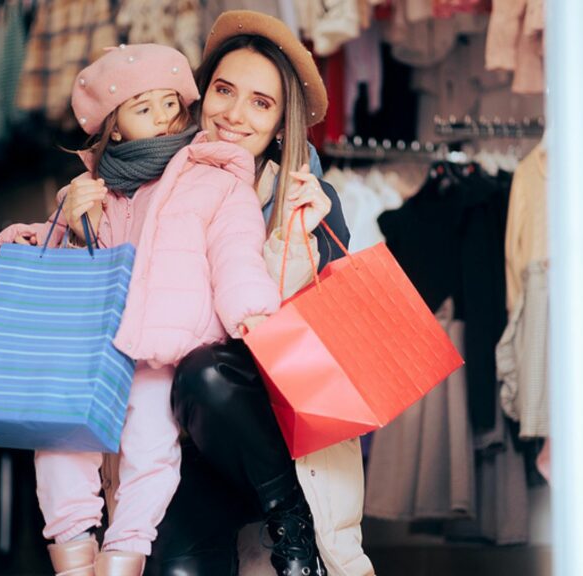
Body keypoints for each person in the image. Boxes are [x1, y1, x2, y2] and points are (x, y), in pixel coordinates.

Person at [0, 44, 281, 576]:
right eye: (144, 107)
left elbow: (236, 252)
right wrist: (61, 229)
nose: (165, 118)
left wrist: (252, 313)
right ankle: (74, 557)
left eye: (171, 103)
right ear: (116, 127)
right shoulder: (94, 191)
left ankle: (124, 556)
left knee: (151, 451)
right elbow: (66, 266)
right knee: (58, 444)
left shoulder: (213, 175)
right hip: (93, 350)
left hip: (160, 351)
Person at [142, 11, 376, 576]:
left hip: (277, 438)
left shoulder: (307, 199)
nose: (234, 114)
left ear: (279, 124)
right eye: (224, 90)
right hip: (184, 450)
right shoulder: (157, 183)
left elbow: (306, 344)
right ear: (201, 96)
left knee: (207, 370)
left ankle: (294, 525)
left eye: (260, 103)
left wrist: (307, 234)